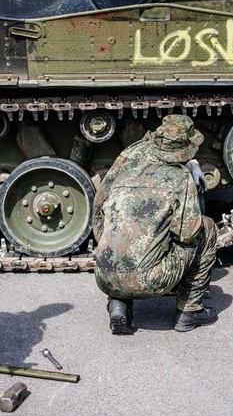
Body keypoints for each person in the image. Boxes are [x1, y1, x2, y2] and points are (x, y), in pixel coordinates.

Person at [93, 114, 217, 334]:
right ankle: (190, 310)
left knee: (125, 235)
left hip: (103, 275)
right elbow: (187, 234)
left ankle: (119, 304)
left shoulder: (129, 160)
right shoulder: (179, 178)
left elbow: (99, 208)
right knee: (205, 228)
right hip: (150, 280)